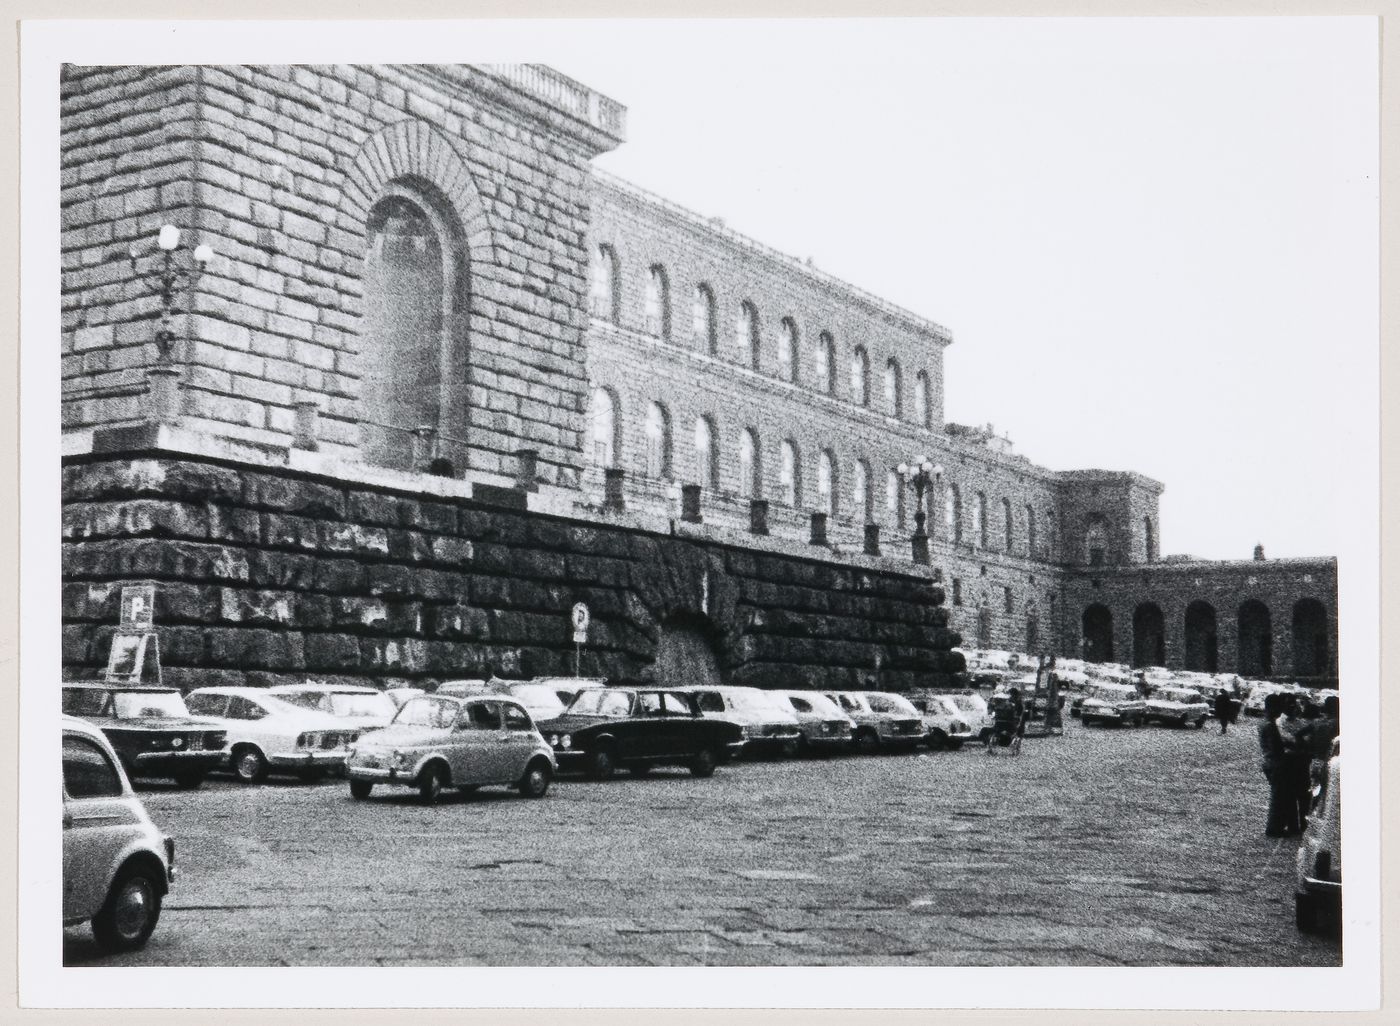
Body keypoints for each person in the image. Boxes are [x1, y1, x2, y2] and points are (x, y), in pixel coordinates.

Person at [1258, 693, 1299, 837]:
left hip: (1269, 762)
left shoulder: (1265, 722)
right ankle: (1275, 828)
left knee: (1278, 796)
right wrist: (1290, 745)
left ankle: (1277, 827)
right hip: (1277, 763)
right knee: (1278, 797)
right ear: (1273, 708)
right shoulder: (1270, 725)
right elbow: (1277, 748)